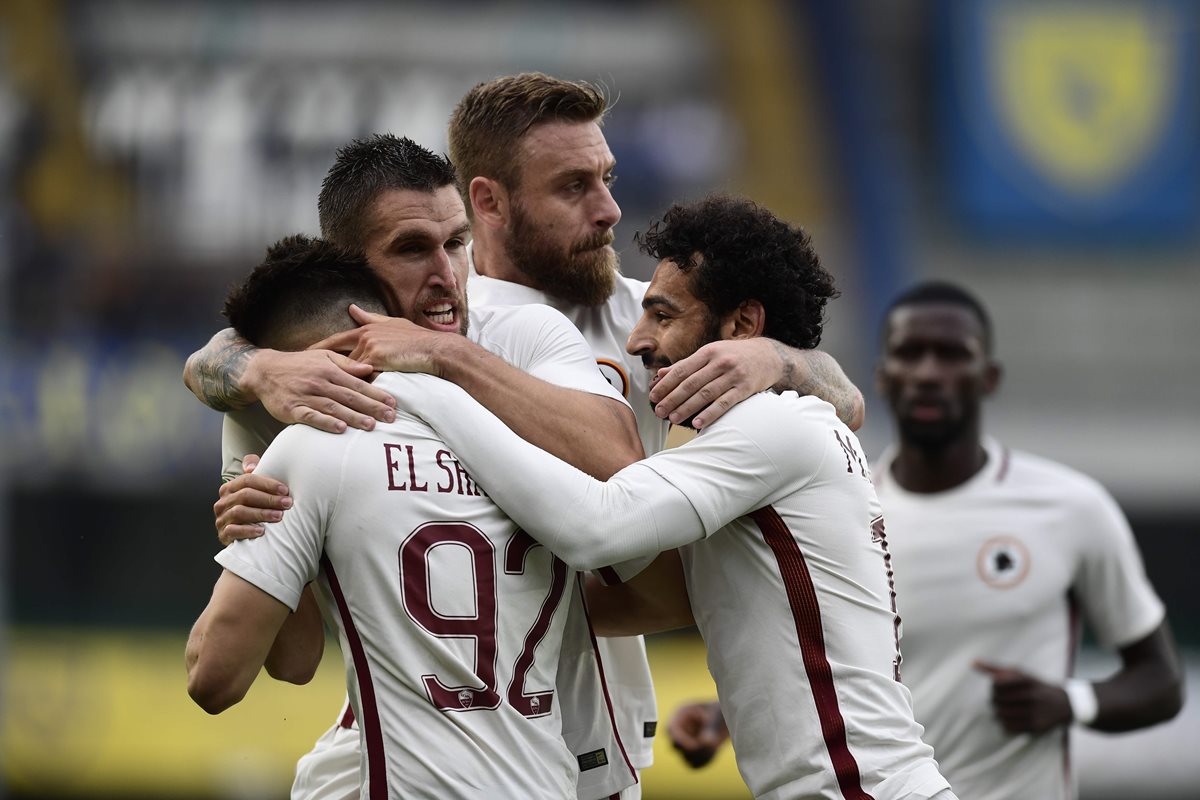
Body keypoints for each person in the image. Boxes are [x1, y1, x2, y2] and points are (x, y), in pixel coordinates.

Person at [204, 73, 866, 799]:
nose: (609, 209)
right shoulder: (330, 362)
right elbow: (224, 358)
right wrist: (253, 369)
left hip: (583, 742)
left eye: (607, 179)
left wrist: (783, 360)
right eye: (574, 187)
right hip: (410, 748)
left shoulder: (646, 315)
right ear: (490, 200)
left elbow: (841, 405)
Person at [377, 194, 956, 800]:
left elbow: (595, 526)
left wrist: (434, 376)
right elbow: (642, 600)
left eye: (662, 315)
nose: (636, 340)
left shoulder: (771, 426)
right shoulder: (791, 426)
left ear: (742, 326)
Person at [192, 136, 643, 799]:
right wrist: (256, 524)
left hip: (582, 733)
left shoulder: (522, 333)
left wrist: (443, 357)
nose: (447, 274)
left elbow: (619, 464)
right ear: (352, 271)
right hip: (426, 745)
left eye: (456, 242)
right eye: (411, 249)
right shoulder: (291, 392)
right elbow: (293, 661)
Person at [667, 280, 1185, 800]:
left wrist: (1071, 703)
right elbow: (828, 668)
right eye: (910, 354)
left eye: (952, 355)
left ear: (988, 377)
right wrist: (723, 717)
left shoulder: (1071, 508)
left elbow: (1162, 681)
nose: (929, 372)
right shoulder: (836, 508)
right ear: (882, 377)